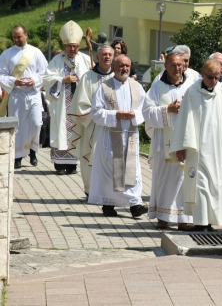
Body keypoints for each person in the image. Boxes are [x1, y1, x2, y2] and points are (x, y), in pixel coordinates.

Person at [170, 60, 222, 231]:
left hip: (219, 148)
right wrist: (182, 146)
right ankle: (200, 222)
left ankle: (209, 222)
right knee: (200, 185)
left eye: (217, 77)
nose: (213, 81)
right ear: (202, 74)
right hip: (197, 148)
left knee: (215, 185)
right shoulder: (192, 92)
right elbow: (184, 120)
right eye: (210, 77)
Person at [87, 55, 148, 218]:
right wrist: (115, 114)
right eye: (121, 65)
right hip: (110, 135)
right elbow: (95, 112)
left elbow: (145, 109)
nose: (125, 69)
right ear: (114, 67)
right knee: (111, 171)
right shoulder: (104, 87)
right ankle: (108, 204)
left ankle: (135, 204)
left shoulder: (137, 87)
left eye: (127, 66)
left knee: (132, 171)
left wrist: (134, 114)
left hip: (131, 136)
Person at [142, 51, 195, 230]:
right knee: (165, 179)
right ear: (166, 66)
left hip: (186, 139)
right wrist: (168, 110)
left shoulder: (192, 85)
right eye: (173, 65)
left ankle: (184, 218)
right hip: (163, 142)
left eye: (180, 65)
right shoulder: (157, 87)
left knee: (185, 179)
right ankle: (163, 216)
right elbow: (147, 113)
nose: (177, 68)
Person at [43, 21, 91, 175]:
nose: (72, 49)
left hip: (78, 103)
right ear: (64, 46)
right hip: (62, 103)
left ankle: (73, 165)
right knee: (61, 130)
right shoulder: (57, 60)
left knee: (77, 131)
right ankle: (60, 164)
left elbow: (92, 79)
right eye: (69, 46)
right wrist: (63, 80)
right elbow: (47, 79)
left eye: (75, 46)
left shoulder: (84, 59)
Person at [68, 45, 114, 198]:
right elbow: (80, 104)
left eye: (110, 54)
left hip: (114, 126)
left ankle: (109, 191)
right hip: (93, 125)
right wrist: (98, 115)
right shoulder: (88, 77)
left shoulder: (117, 77)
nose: (107, 57)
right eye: (104, 54)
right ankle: (91, 190)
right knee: (92, 156)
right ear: (98, 57)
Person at [0, 25, 47, 169]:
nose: (16, 39)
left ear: (26, 35)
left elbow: (45, 73)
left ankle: (33, 151)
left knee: (36, 122)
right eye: (14, 37)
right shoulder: (7, 54)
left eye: (19, 36)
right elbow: (1, 75)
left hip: (33, 94)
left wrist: (35, 81)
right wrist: (14, 81)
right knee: (18, 126)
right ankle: (18, 156)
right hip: (17, 95)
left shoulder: (36, 52)